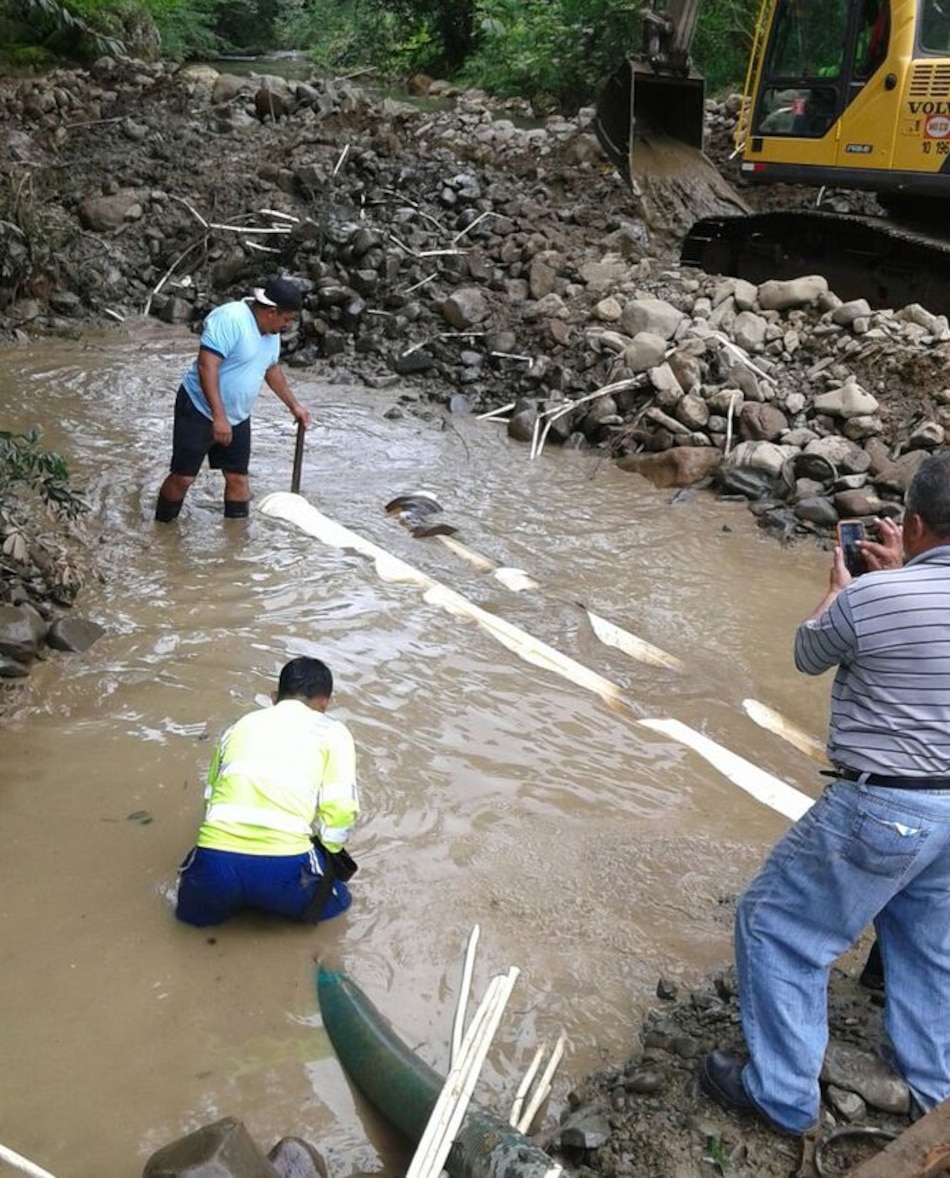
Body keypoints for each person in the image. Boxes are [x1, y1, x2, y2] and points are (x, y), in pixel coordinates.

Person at [699, 451, 950, 1135]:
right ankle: (932, 1092)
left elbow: (809, 653)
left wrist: (845, 589)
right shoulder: (900, 591)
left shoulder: (875, 598)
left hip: (884, 808)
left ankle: (781, 1094)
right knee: (928, 948)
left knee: (776, 925)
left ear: (915, 523)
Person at [175, 656, 360, 927]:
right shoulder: (333, 732)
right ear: (325, 702)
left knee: (188, 923)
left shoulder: (238, 727)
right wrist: (330, 850)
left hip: (215, 861)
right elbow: (341, 809)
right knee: (339, 909)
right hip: (285, 866)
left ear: (274, 697)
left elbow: (211, 796)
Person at [155, 275, 311, 523]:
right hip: (199, 409)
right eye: (287, 318)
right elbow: (208, 366)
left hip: (237, 415)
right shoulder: (230, 319)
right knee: (183, 477)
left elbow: (271, 369)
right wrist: (219, 417)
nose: (287, 325)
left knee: (238, 479)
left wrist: (294, 406)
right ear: (271, 311)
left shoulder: (271, 334)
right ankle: (161, 529)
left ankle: (236, 545)